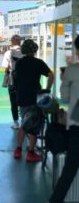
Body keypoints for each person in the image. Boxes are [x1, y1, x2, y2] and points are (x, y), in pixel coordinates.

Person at [49, 35, 79, 203]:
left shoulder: (72, 70)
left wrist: (64, 81)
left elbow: (65, 97)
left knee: (69, 171)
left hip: (76, 125)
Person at [13, 39, 54, 162]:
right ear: (35, 50)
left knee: (24, 123)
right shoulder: (38, 63)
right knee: (34, 126)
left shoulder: (19, 63)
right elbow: (51, 75)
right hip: (36, 98)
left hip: (22, 98)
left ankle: (18, 150)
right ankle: (31, 152)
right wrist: (47, 89)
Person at [2, 35, 23, 129]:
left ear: (11, 42)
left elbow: (6, 67)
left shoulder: (8, 53)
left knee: (13, 102)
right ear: (20, 42)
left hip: (12, 81)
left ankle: (16, 123)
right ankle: (25, 120)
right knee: (24, 101)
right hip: (24, 81)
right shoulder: (24, 52)